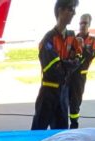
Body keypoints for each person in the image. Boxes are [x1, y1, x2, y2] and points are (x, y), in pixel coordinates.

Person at [31, 0, 82, 130]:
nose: (74, 13)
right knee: (37, 133)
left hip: (63, 94)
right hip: (48, 94)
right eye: (71, 9)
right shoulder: (48, 39)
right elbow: (54, 70)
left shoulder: (72, 37)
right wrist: (69, 63)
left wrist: (63, 63)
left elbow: (78, 60)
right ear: (60, 10)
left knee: (61, 135)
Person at [68, 13, 95, 129]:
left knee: (75, 102)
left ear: (89, 24)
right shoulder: (72, 39)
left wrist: (83, 46)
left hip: (80, 76)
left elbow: (91, 55)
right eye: (81, 23)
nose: (82, 25)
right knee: (63, 100)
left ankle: (74, 125)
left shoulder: (92, 40)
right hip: (69, 74)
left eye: (85, 23)